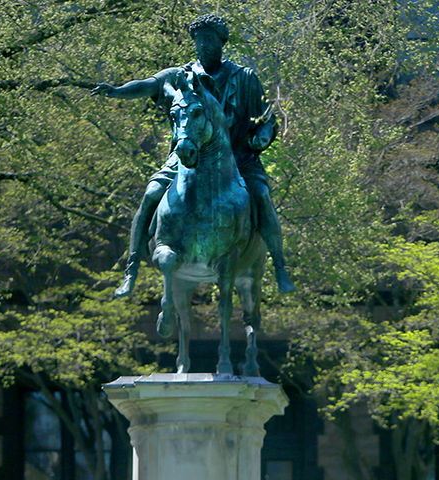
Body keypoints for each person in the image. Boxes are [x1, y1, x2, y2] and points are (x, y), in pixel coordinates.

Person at [92, 13, 294, 298]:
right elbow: (147, 85)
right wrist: (116, 91)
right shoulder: (180, 76)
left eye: (209, 40)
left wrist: (264, 134)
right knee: (151, 194)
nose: (203, 46)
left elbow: (266, 118)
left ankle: (280, 267)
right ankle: (131, 269)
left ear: (222, 43)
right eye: (199, 41)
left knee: (261, 194)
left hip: (236, 158)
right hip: (188, 156)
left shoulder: (244, 78)